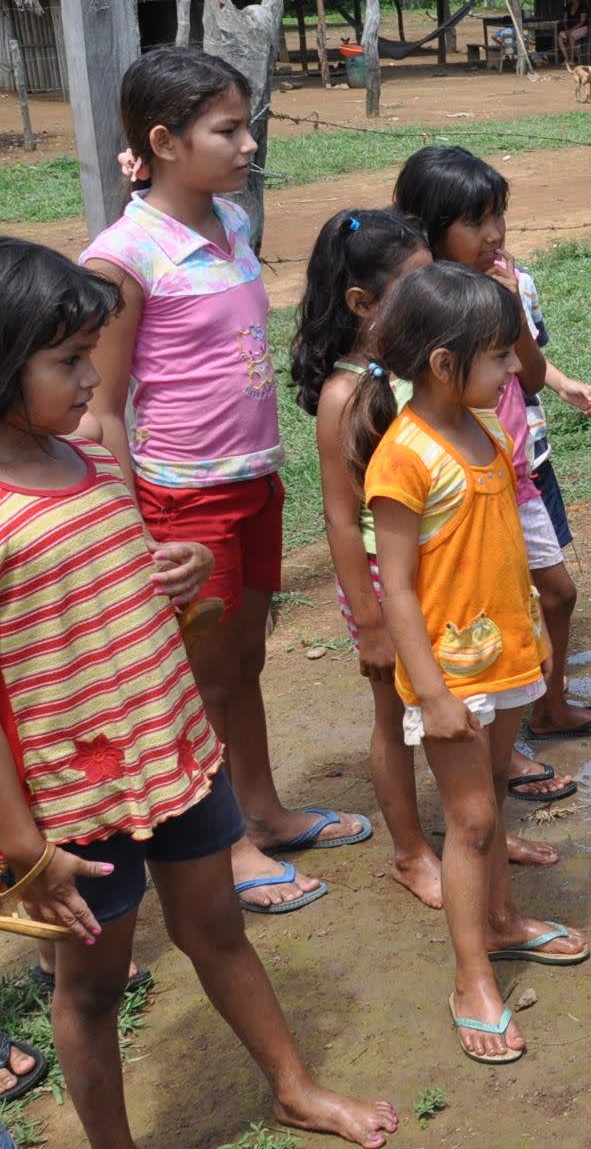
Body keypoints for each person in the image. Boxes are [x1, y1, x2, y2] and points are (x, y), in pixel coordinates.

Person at [0, 238, 398, 1148]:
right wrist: (24, 844)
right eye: (66, 361)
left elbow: (114, 582)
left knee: (217, 928)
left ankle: (295, 1087)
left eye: (92, 355)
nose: (94, 379)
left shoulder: (96, 461)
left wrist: (169, 571)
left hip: (172, 752)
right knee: (92, 987)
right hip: (71, 799)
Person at [80, 48, 367, 913]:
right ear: (164, 142)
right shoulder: (123, 257)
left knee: (246, 661)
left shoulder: (231, 223)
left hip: (252, 482)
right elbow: (103, 405)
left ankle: (265, 810)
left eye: (247, 126)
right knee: (200, 679)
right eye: (228, 129)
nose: (249, 144)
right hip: (181, 501)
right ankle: (227, 844)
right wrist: (136, 528)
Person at [351, 262, 590, 1065]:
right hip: (450, 675)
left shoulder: (487, 430)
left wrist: (532, 634)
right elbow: (401, 593)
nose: (511, 371)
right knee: (475, 819)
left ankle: (502, 921)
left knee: (492, 806)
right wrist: (431, 690)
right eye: (497, 358)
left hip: (506, 658)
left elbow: (505, 551)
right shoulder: (404, 457)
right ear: (446, 365)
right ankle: (470, 978)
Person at [392, 147, 591, 753]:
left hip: (523, 467)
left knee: (557, 592)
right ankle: (503, 746)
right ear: (428, 225)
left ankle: (548, 706)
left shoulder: (513, 280)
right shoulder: (422, 305)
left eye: (499, 216)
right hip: (458, 488)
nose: (494, 234)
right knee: (483, 611)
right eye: (475, 222)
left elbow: (527, 371)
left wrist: (511, 307)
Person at [291, 208, 461, 907]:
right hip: (380, 584)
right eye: (413, 289)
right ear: (363, 305)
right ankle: (410, 851)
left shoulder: (414, 370)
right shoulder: (346, 394)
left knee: (456, 699)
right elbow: (338, 514)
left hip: (440, 567)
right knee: (394, 716)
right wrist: (369, 619)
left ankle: (467, 828)